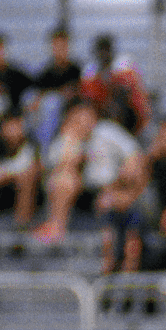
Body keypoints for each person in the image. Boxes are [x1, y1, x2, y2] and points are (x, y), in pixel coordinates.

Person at [36, 99, 140, 241]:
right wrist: (72, 144)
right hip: (81, 191)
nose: (83, 121)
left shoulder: (107, 131)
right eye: (77, 118)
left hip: (110, 187)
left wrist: (121, 184)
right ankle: (56, 226)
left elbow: (134, 154)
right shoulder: (65, 138)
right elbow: (50, 166)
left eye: (86, 116)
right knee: (63, 179)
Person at [80, 34, 149, 135]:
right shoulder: (90, 74)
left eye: (106, 50)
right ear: (96, 53)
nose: (104, 54)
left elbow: (136, 96)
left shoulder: (125, 69)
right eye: (101, 50)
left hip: (129, 121)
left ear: (112, 51)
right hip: (101, 120)